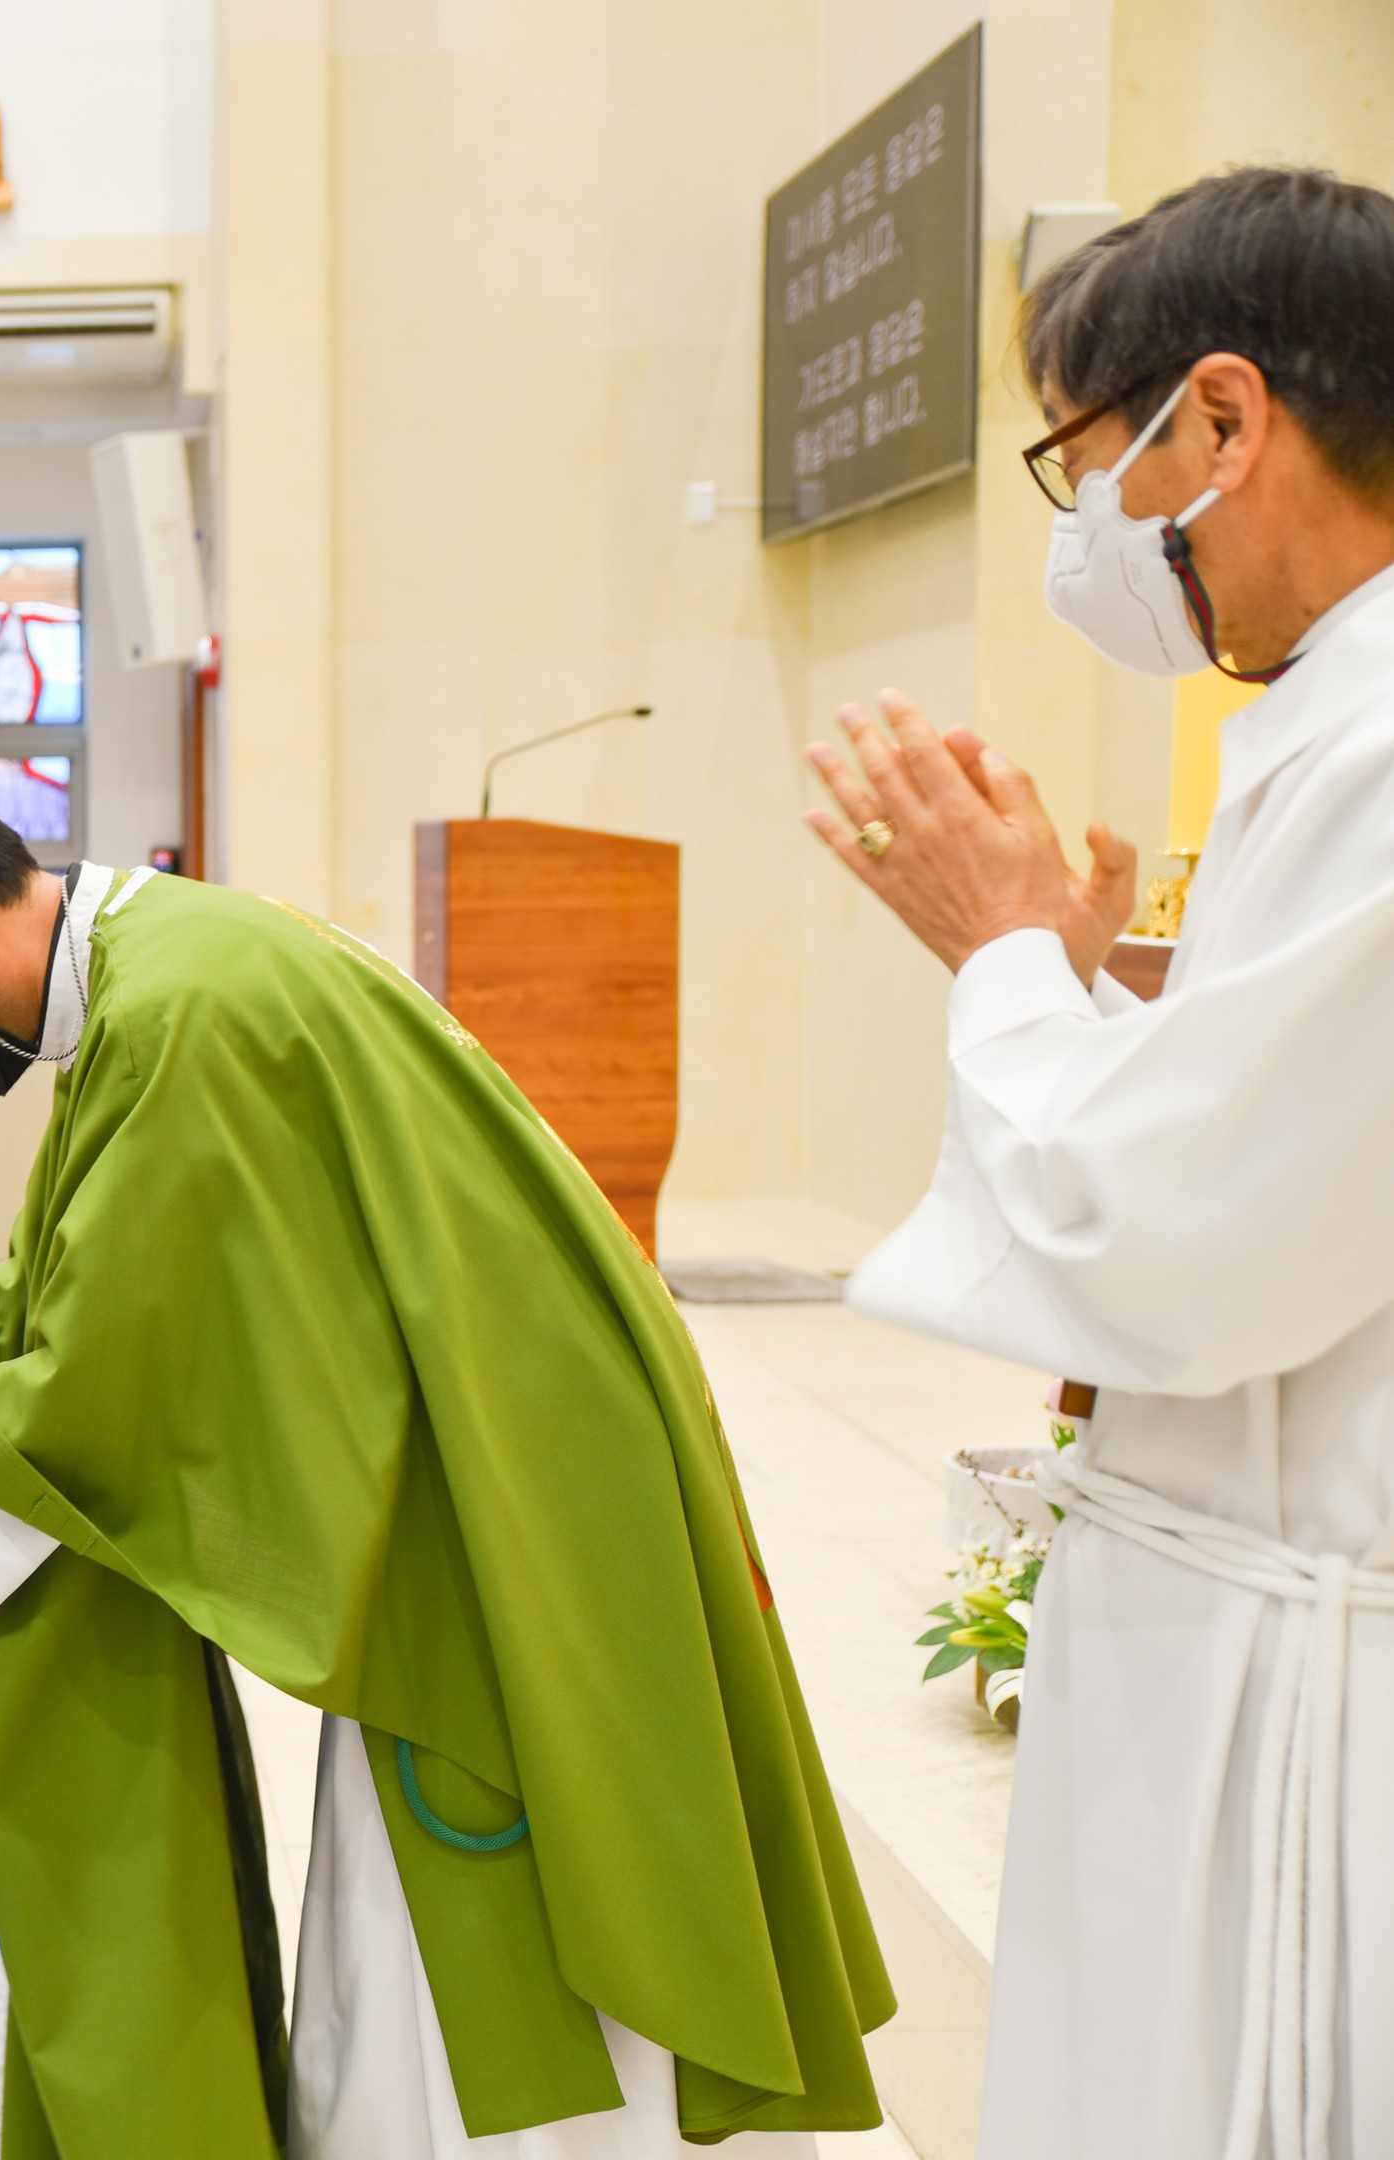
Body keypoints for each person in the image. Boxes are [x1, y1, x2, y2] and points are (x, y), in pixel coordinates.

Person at [0, 771, 888, 2158]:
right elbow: (101, 1257)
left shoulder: (181, 1011)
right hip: (493, 1433)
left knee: (497, 1872)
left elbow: (126, 1372)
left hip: (496, 1483)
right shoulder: (169, 955)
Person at [797, 168, 1394, 2160]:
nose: (1092, 540)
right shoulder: (1332, 720)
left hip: (1309, 1670)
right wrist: (1079, 1001)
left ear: (1221, 420)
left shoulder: (1380, 737)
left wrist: (1006, 964)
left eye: (1083, 461)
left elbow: (1159, 1241)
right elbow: (1301, 1170)